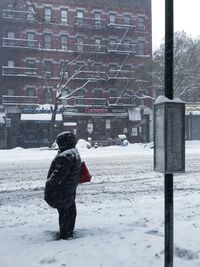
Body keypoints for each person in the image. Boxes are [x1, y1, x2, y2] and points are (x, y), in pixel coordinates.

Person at [44, 132, 81, 239]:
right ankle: (69, 231)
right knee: (70, 210)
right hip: (69, 188)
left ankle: (65, 234)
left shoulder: (65, 156)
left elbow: (57, 177)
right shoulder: (74, 152)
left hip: (62, 190)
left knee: (64, 212)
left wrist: (48, 184)